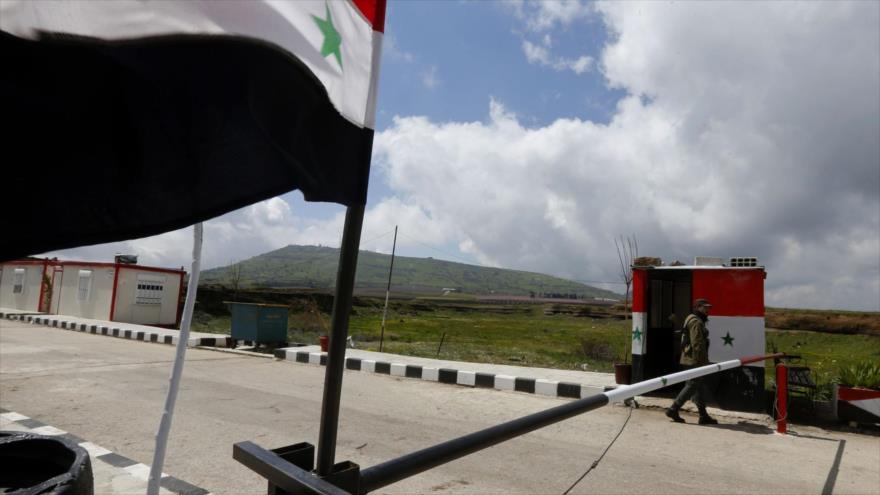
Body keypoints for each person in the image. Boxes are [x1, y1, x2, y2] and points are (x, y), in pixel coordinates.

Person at [665, 298, 718, 425]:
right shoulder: (696, 322)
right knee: (692, 385)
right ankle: (673, 409)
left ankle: (703, 415)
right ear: (698, 307)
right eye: (705, 307)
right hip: (694, 359)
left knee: (698, 386)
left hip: (690, 358)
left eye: (708, 308)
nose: (707, 310)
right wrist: (703, 362)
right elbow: (697, 344)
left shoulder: (692, 319)